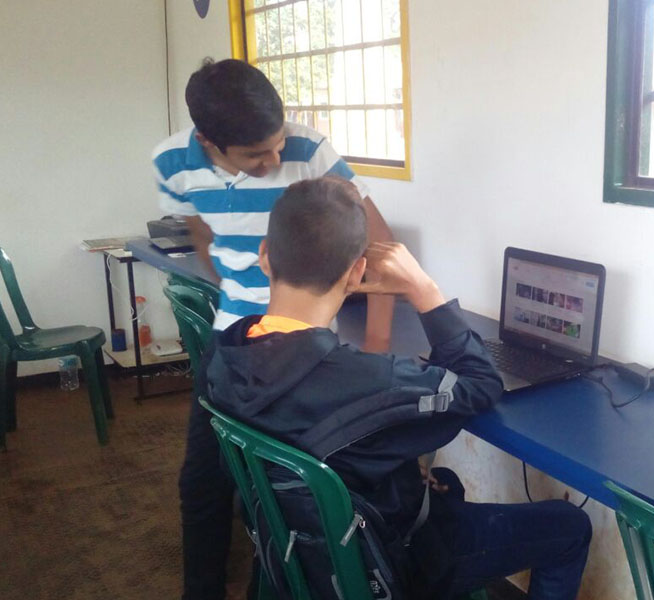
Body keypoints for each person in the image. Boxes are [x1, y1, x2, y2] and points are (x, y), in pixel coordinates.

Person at [206, 176, 593, 599]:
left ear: (264, 256)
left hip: (297, 548)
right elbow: (481, 386)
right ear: (357, 272)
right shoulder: (369, 380)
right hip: (383, 561)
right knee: (569, 526)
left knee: (441, 478)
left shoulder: (227, 354)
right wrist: (424, 291)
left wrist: (393, 464)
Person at [151, 58, 396, 599]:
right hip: (237, 340)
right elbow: (201, 233)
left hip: (306, 346)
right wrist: (239, 297)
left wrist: (376, 346)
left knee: (292, 479)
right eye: (257, 155)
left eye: (278, 143)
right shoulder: (171, 161)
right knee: (203, 481)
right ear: (208, 141)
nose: (276, 159)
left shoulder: (310, 152)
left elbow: (382, 251)